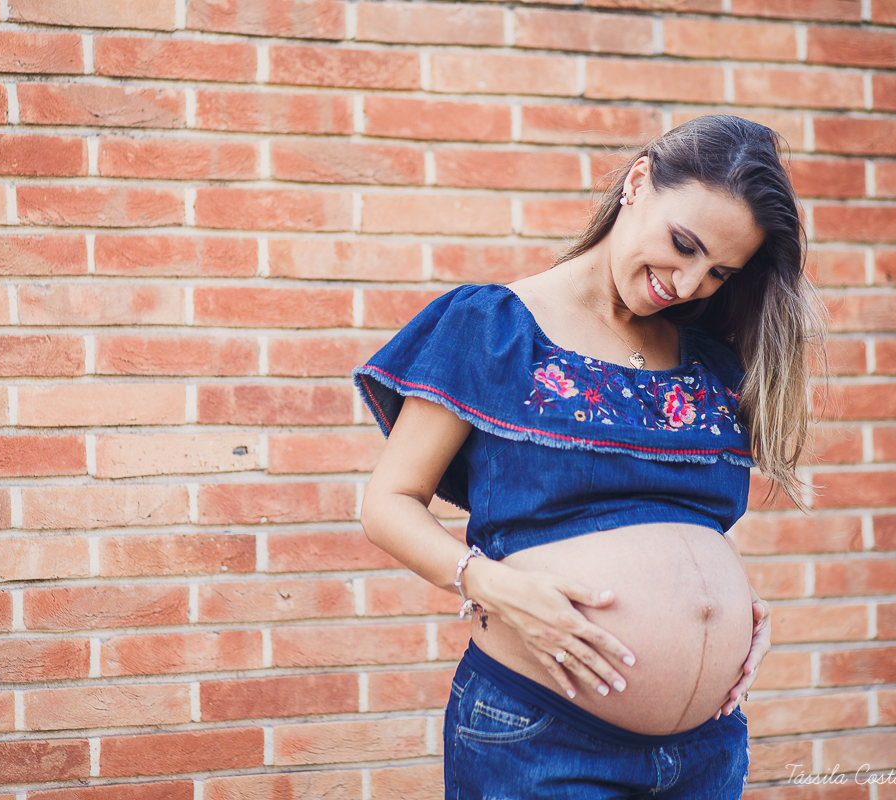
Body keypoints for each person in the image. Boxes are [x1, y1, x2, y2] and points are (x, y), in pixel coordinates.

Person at [353, 114, 824, 799]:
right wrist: (493, 585)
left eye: (718, 270)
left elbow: (673, 517)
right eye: (682, 244)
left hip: (706, 751)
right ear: (638, 182)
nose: (689, 283)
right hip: (543, 737)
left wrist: (729, 604)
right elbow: (386, 503)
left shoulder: (710, 360)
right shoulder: (492, 329)